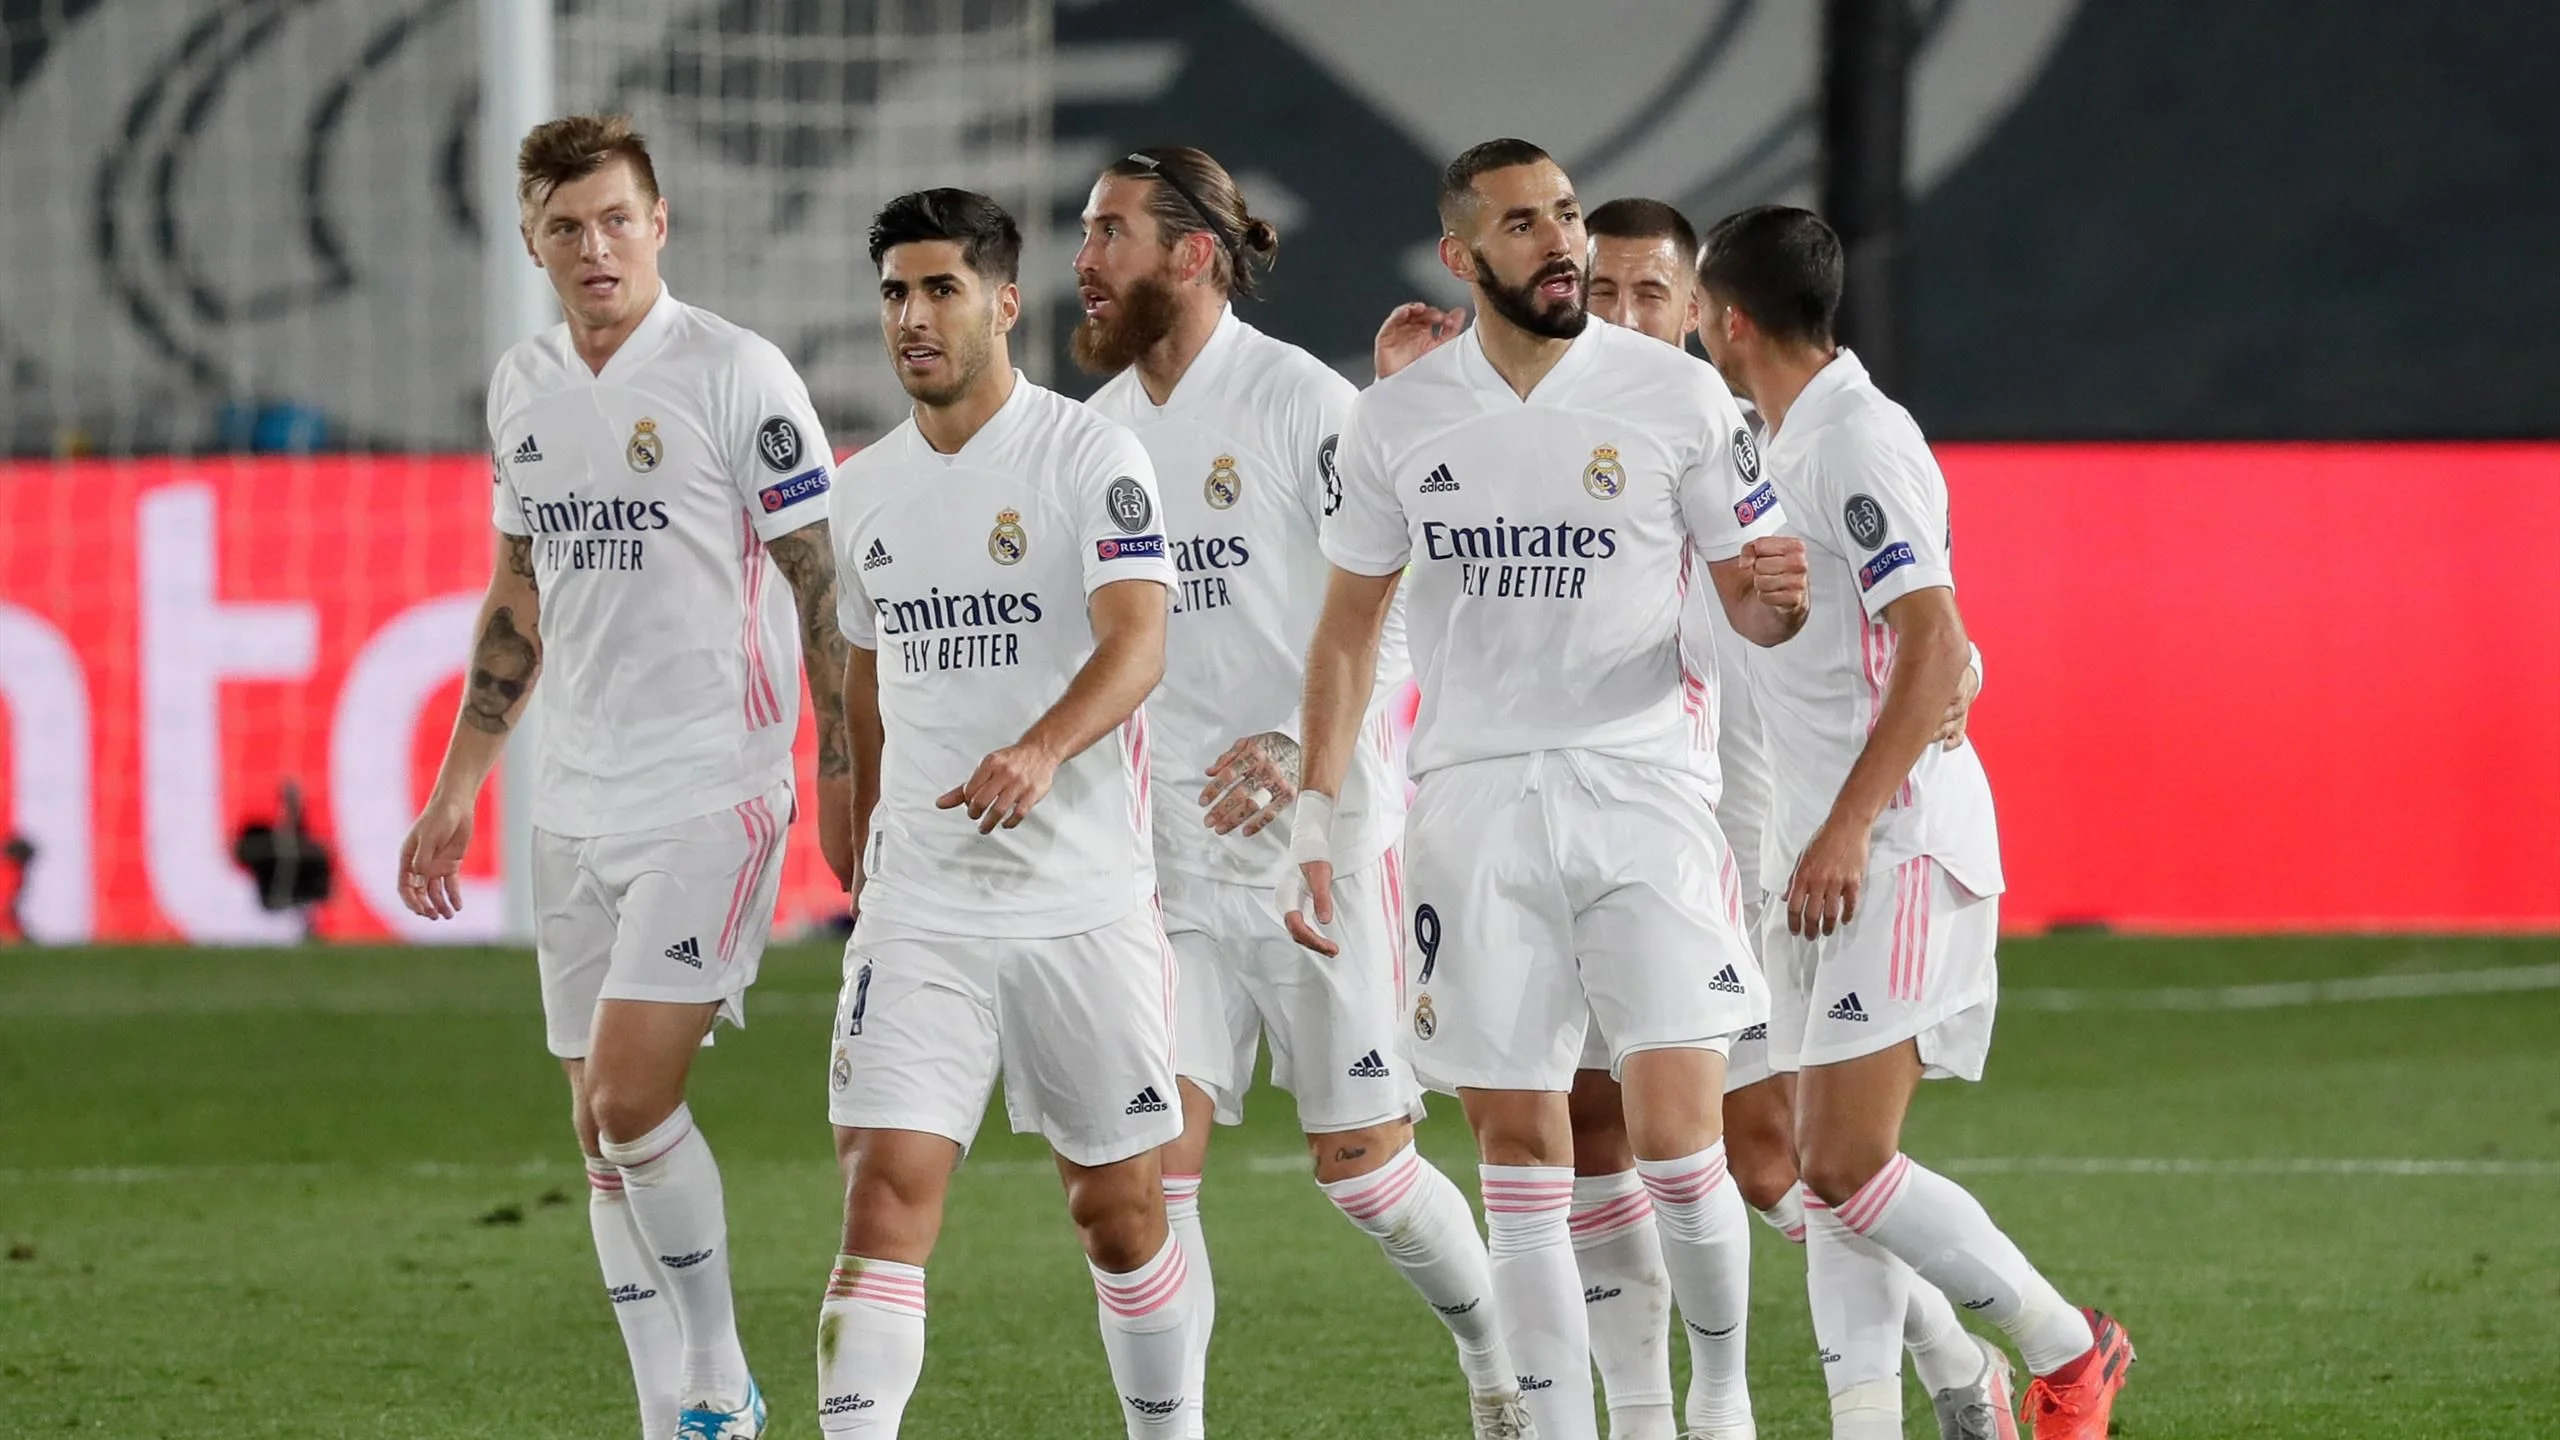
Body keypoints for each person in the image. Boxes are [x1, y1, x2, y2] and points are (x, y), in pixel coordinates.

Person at [1293, 138, 1809, 1440]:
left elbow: (1749, 599)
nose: (1562, 240)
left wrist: (1777, 603)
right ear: (1462, 255)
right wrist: (1313, 815)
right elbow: (1348, 632)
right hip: (1470, 806)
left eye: (1568, 214)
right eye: (1524, 222)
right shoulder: (1397, 418)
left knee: (1681, 1139)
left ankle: (1721, 1400)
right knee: (1521, 1154)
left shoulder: (1677, 399)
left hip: (1643, 791)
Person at [400, 113, 853, 1440]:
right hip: (575, 797)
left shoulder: (736, 373)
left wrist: (844, 773)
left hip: (715, 788)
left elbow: (823, 589)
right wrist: (459, 783)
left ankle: (720, 1374)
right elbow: (518, 596)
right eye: (566, 227)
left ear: (660, 225)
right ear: (531, 242)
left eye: (615, 219)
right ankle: (672, 1414)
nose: (594, 246)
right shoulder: (523, 386)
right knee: (597, 1138)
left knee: (630, 1099)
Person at [1073, 146, 1529, 1440]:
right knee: (1144, 1185)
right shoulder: (1094, 435)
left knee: (1364, 1174)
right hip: (1162, 866)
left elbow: (1391, 617)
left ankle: (1501, 1364)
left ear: (1192, 255)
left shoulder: (1303, 406)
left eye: (1109, 233)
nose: (1083, 259)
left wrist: (1292, 745)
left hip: (1316, 850)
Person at [1693, 204, 2135, 1440]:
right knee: (1816, 1166)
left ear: (1732, 320)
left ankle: (2070, 1348)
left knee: (1841, 1160)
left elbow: (1933, 639)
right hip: (1813, 851)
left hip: (1890, 845)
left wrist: (1845, 828)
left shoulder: (1855, 439)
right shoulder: (1771, 439)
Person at [816, 188, 1196, 1438]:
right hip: (922, 900)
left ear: (1003, 303)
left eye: (940, 290)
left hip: (1078, 901)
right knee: (883, 1193)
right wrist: (849, 798)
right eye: (894, 294)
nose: (912, 318)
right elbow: (866, 671)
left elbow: (1138, 644)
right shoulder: (863, 491)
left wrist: (1040, 748)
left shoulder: (1089, 457)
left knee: (1120, 1213)